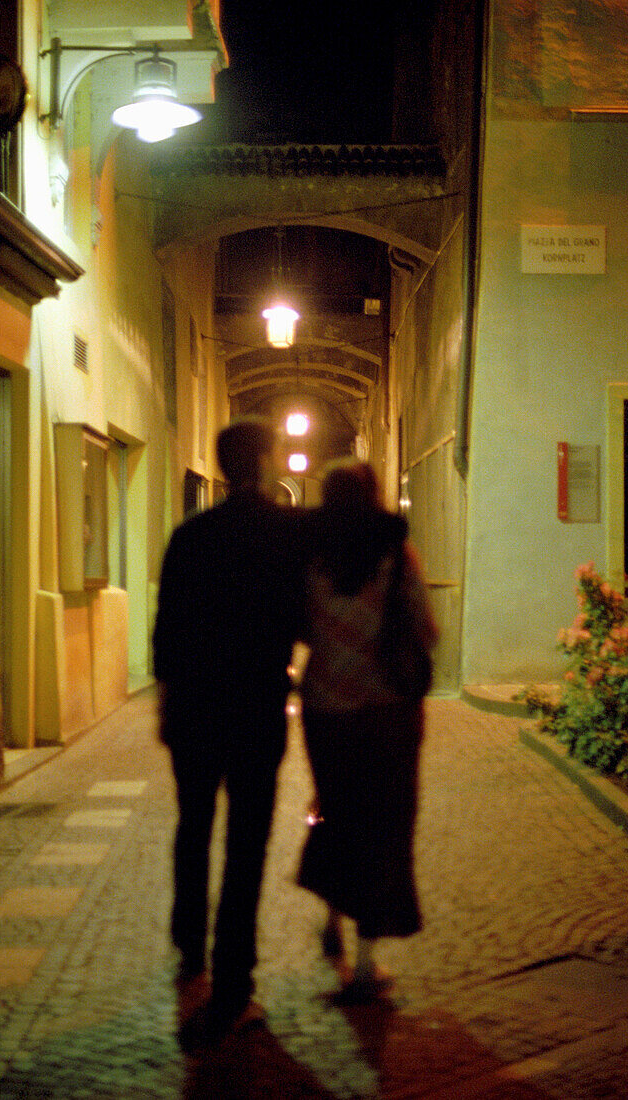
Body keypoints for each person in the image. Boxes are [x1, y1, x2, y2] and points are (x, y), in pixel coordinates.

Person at [153, 416, 305, 1049]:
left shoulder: (189, 536)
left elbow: (166, 631)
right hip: (255, 706)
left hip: (194, 706)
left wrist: (166, 701)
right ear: (265, 461)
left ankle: (189, 938)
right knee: (247, 844)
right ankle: (234, 974)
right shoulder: (285, 534)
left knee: (193, 825)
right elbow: (302, 616)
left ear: (219, 466)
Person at [296, 459, 438, 1003]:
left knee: (335, 808)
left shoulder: (311, 558)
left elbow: (300, 626)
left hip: (327, 708)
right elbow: (424, 627)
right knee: (384, 825)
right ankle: (365, 961)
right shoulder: (396, 555)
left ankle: (331, 914)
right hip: (388, 712)